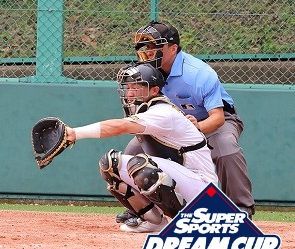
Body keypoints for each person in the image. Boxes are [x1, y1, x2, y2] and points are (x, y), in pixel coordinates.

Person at [116, 20, 255, 224]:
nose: (148, 52)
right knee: (133, 151)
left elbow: (217, 117)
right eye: (145, 47)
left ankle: (241, 208)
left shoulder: (198, 73)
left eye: (154, 46)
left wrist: (197, 127)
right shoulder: (145, 72)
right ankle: (141, 209)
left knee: (226, 149)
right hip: (172, 124)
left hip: (211, 121)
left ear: (173, 48)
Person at [67, 62, 218, 233]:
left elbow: (120, 126)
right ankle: (153, 221)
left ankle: (190, 223)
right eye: (128, 87)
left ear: (154, 90)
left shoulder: (163, 112)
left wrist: (74, 133)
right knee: (110, 165)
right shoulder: (150, 111)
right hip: (184, 182)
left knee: (140, 166)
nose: (129, 93)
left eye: (136, 87)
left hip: (203, 192)